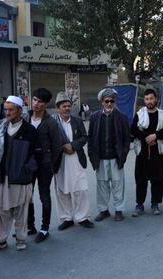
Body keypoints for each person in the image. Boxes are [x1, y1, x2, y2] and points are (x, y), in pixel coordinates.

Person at [0, 96, 37, 255]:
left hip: (20, 178)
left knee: (21, 211)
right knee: (1, 211)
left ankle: (21, 239)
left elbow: (36, 155)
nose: (7, 113)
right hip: (3, 177)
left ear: (19, 111)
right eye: (5, 109)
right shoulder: (1, 127)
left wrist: (27, 169)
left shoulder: (29, 130)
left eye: (10, 110)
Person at [52, 92, 94, 230]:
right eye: (64, 106)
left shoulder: (77, 120)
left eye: (69, 106)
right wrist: (63, 147)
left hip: (76, 158)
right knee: (62, 191)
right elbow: (48, 140)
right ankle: (67, 218)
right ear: (58, 108)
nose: (67, 108)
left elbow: (84, 137)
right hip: (60, 160)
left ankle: (83, 217)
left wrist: (73, 146)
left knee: (81, 189)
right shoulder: (52, 123)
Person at [88, 88, 130, 222]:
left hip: (116, 158)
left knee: (118, 185)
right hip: (100, 158)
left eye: (112, 101)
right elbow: (91, 138)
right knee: (102, 186)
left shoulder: (121, 117)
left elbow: (126, 139)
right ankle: (103, 210)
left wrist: (123, 155)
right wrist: (91, 155)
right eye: (107, 101)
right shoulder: (94, 117)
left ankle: (119, 210)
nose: (110, 103)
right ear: (102, 102)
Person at [27, 88, 61, 243]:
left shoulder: (51, 122)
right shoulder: (25, 117)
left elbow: (56, 146)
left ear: (46, 104)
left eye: (40, 101)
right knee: (27, 195)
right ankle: (29, 226)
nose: (36, 104)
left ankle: (44, 228)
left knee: (44, 196)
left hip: (44, 164)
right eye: (34, 99)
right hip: (27, 164)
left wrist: (50, 164)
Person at [131, 89, 163, 216]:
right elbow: (133, 130)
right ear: (144, 100)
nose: (149, 101)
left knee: (158, 179)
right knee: (141, 179)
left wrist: (155, 136)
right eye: (147, 99)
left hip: (158, 153)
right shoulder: (139, 114)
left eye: (151, 99)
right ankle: (139, 204)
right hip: (143, 153)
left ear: (156, 99)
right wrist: (146, 137)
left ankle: (155, 204)